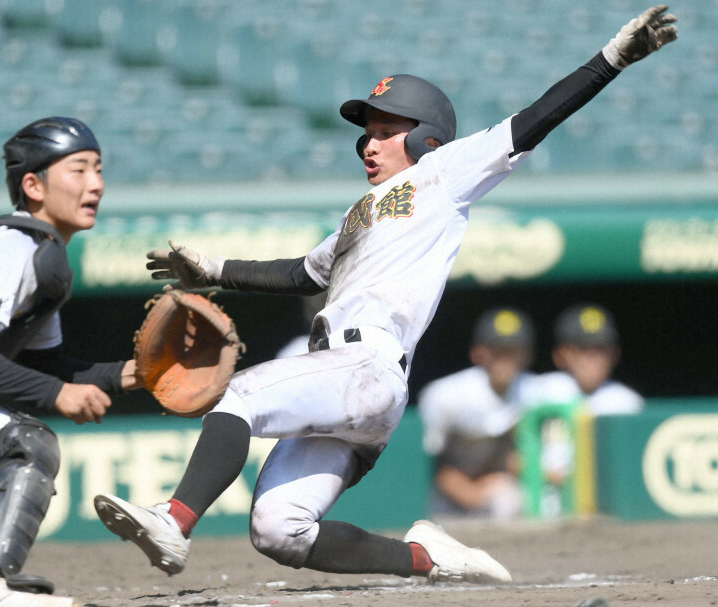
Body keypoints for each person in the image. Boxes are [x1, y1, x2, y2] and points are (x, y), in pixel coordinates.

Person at [93, 6, 677, 586]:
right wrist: (214, 269)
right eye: (365, 135)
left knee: (242, 393)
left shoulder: (444, 174)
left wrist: (612, 60)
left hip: (367, 364)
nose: (368, 146)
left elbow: (533, 120)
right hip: (348, 380)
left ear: (424, 138)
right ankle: (430, 558)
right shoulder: (358, 215)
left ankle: (174, 518)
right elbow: (302, 273)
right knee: (279, 530)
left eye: (384, 131)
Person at [0, 117, 142, 607]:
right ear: (33, 185)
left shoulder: (38, 253)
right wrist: (61, 395)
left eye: (99, 169)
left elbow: (49, 367)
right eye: (79, 169)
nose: (96, 183)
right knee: (27, 442)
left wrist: (136, 375)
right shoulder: (12, 246)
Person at [417, 308, 537, 520]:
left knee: (512, 501)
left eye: (512, 351)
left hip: (491, 487)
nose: (505, 359)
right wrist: (462, 488)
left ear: (527, 355)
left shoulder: (535, 391)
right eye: (498, 351)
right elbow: (422, 459)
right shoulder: (446, 396)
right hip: (441, 494)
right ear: (478, 353)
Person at [537, 303, 643, 416]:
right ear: (560, 355)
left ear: (615, 353)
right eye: (583, 347)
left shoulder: (628, 403)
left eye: (601, 347)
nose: (593, 356)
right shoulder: (539, 392)